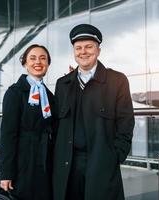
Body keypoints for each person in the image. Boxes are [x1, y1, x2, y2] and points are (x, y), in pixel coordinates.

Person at [53, 24, 135, 200]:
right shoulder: (63, 84)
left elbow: (126, 122)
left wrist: (115, 156)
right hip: (68, 165)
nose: (83, 52)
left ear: (98, 50)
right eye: (78, 48)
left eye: (89, 47)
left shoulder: (117, 80)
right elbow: (56, 125)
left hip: (102, 162)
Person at [0, 44, 54, 200]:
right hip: (23, 163)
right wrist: (6, 173)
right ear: (24, 63)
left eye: (43, 58)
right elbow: (8, 135)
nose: (38, 62)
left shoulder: (49, 95)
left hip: (46, 161)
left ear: (48, 64)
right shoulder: (15, 92)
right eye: (32, 58)